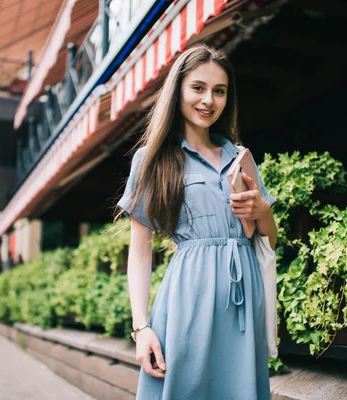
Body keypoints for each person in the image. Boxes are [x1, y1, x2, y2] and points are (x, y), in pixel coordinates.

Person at [117, 44, 278, 399]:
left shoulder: (240, 157)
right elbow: (141, 254)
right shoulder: (152, 160)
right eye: (198, 88)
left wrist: (263, 212)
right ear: (178, 91)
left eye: (219, 91)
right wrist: (141, 327)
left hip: (244, 301)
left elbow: (269, 239)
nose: (208, 100)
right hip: (189, 298)